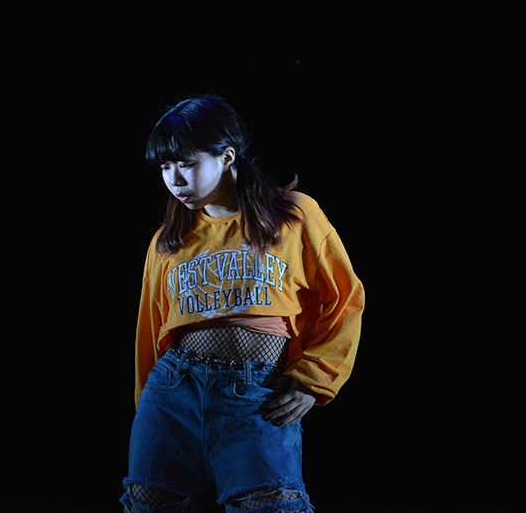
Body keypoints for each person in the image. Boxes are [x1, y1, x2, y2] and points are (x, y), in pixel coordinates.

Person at [121, 94, 365, 512]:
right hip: (171, 397)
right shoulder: (168, 241)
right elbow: (150, 333)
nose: (174, 180)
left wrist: (314, 379)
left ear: (227, 156)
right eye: (164, 167)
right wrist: (145, 409)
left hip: (255, 396)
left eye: (185, 163)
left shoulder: (294, 215)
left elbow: (345, 299)